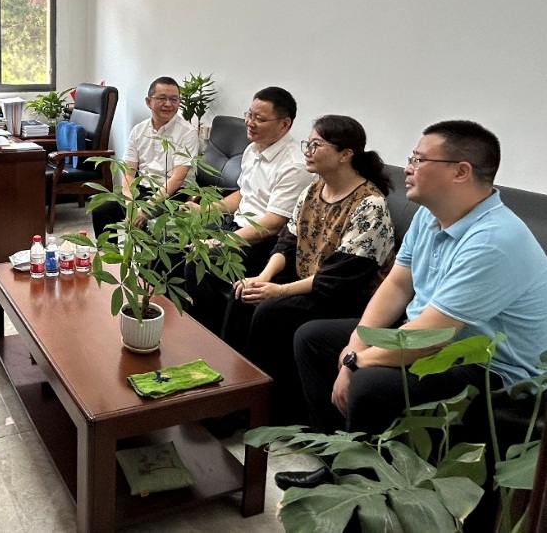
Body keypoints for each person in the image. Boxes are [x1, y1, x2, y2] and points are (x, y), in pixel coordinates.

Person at [281, 120, 547, 492]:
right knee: (314, 338)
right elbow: (396, 285)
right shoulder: (430, 214)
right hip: (438, 341)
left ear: (460, 171)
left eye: (419, 160)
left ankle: (369, 491)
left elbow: (432, 336)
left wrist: (355, 363)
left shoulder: (494, 240)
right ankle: (340, 463)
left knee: (370, 382)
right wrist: (355, 344)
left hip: (492, 368)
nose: (407, 168)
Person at [239, 115, 395, 425]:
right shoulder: (314, 190)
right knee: (244, 293)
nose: (307, 151)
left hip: (348, 298)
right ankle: (240, 396)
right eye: (307, 144)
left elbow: (338, 280)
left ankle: (272, 413)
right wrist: (263, 278)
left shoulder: (370, 205)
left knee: (272, 311)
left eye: (316, 145)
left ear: (345, 154)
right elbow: (287, 243)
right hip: (311, 283)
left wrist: (278, 290)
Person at [184, 86, 313, 348]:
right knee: (175, 236)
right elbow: (243, 194)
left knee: (198, 261)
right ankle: (179, 321)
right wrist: (205, 211)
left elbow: (273, 224)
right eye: (249, 115)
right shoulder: (253, 149)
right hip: (236, 226)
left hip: (263, 244)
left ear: (284, 124)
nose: (249, 123)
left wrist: (220, 242)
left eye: (259, 119)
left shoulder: (294, 165)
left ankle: (207, 340)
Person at [90, 76, 199, 237]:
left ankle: (145, 255)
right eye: (162, 98)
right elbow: (129, 173)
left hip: (173, 194)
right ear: (148, 102)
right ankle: (109, 253)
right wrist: (130, 203)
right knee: (101, 210)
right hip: (142, 190)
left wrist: (145, 208)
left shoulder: (187, 132)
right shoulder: (138, 130)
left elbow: (177, 179)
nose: (168, 104)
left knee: (146, 223)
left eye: (174, 99)